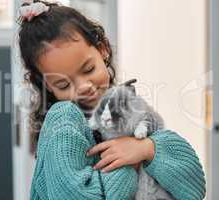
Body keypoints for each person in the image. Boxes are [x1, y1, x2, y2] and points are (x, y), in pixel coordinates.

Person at [17, 1, 206, 199]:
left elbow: (193, 190)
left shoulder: (127, 106)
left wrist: (147, 149)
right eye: (63, 84)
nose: (83, 87)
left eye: (88, 69)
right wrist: (128, 164)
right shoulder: (63, 121)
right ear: (47, 84)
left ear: (103, 49)